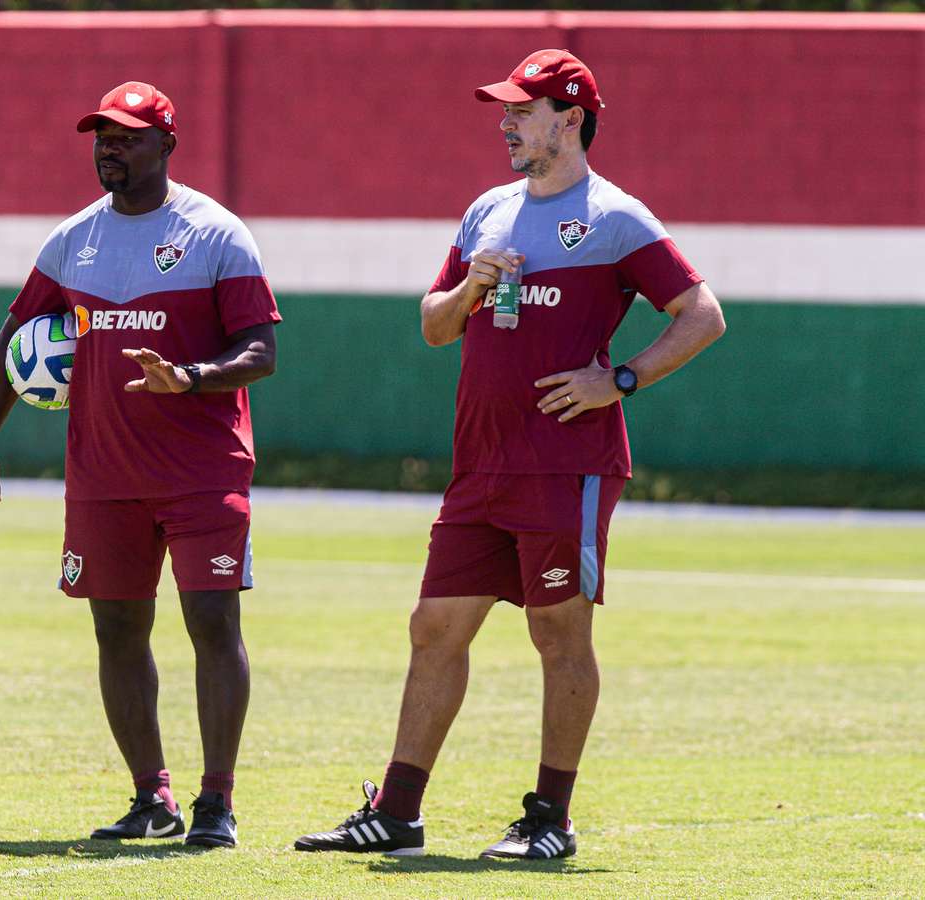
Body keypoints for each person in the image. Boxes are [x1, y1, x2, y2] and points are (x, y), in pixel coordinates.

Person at [294, 49, 725, 860]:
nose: (504, 123)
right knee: (434, 628)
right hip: (479, 466)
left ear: (569, 120)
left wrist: (619, 379)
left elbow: (703, 315)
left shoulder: (616, 217)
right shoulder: (486, 210)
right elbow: (434, 327)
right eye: (505, 110)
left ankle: (550, 819)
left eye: (521, 111)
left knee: (558, 636)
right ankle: (398, 813)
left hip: (568, 466)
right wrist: (468, 289)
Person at [0, 81, 280, 849]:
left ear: (167, 144)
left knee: (211, 622)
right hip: (103, 476)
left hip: (202, 471)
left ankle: (216, 803)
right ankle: (152, 798)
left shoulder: (216, 234)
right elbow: (14, 342)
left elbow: (261, 352)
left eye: (129, 135)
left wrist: (195, 377)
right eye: (102, 134)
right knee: (116, 633)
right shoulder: (71, 240)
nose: (111, 145)